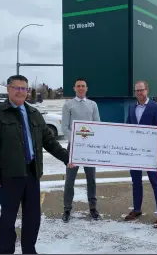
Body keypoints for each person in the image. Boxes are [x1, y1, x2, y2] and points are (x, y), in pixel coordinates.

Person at [0, 75, 69, 254]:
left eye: (24, 88)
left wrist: (68, 159)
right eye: (17, 88)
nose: (21, 91)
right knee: (8, 219)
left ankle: (29, 249)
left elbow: (49, 141)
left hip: (32, 173)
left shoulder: (34, 114)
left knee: (32, 218)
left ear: (28, 91)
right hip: (8, 176)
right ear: (8, 89)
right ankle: (5, 251)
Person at [124, 80, 157, 228]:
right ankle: (137, 210)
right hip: (134, 153)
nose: (139, 93)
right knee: (136, 182)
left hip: (150, 153)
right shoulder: (131, 108)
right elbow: (128, 128)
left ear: (147, 90)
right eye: (137, 91)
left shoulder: (156, 107)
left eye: (141, 90)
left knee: (155, 182)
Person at [61, 78, 101, 222]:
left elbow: (97, 124)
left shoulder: (92, 105)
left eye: (83, 86)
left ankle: (93, 208)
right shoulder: (68, 105)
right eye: (78, 86)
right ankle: (67, 209)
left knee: (91, 179)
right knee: (70, 180)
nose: (81, 88)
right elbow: (65, 127)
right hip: (74, 148)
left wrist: (91, 140)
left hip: (89, 148)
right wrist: (75, 140)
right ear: (74, 88)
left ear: (86, 88)